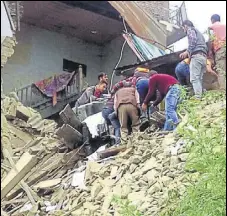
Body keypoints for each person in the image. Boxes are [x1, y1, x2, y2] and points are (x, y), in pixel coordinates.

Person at [179, 20, 208, 100]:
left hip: (197, 56)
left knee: (194, 78)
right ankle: (202, 94)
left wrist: (187, 51)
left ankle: (198, 97)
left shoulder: (190, 30)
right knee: (200, 78)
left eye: (183, 28)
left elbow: (192, 40)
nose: (184, 30)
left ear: (185, 26)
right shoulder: (200, 34)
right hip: (203, 57)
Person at [208, 14, 226, 90]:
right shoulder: (225, 26)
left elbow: (211, 40)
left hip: (220, 49)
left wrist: (210, 51)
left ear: (212, 20)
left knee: (221, 70)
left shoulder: (211, 28)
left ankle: (223, 90)